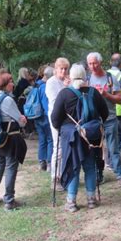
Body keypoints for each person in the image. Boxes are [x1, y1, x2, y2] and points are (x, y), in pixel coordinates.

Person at [51, 64, 109, 212]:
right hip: (91, 136)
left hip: (72, 137)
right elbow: (105, 113)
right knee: (90, 167)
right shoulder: (93, 93)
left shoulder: (64, 94)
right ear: (85, 76)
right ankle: (91, 200)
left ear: (70, 76)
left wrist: (63, 127)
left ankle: (71, 202)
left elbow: (55, 119)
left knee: (73, 167)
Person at [0, 71, 27, 210]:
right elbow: (20, 121)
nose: (13, 83)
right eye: (10, 81)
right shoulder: (7, 100)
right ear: (4, 84)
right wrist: (23, 120)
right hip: (10, 137)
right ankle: (9, 200)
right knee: (10, 167)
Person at [87, 52, 121, 187]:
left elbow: (120, 99)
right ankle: (99, 175)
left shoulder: (110, 78)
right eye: (90, 63)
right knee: (96, 149)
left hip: (110, 118)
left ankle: (120, 175)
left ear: (100, 62)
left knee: (113, 148)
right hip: (93, 120)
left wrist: (105, 94)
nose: (92, 66)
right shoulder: (87, 79)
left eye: (95, 63)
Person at [46, 57, 70, 189]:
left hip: (68, 118)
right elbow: (56, 102)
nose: (64, 71)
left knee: (67, 147)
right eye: (61, 68)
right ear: (56, 69)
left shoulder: (68, 81)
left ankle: (65, 174)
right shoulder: (51, 82)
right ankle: (55, 178)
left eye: (66, 69)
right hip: (56, 118)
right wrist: (66, 89)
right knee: (58, 147)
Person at [35, 66, 55, 171]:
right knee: (50, 139)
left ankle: (41, 161)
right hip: (45, 117)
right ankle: (49, 163)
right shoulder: (45, 87)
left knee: (42, 139)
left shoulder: (37, 84)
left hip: (37, 117)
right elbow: (45, 105)